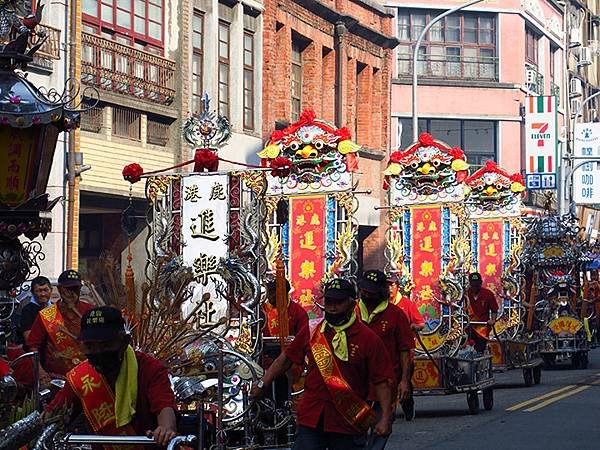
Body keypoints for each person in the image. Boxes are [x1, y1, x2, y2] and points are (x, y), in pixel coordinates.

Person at [251, 278, 394, 450]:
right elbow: (285, 359)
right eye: (329, 302)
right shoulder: (313, 331)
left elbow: (382, 381)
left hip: (348, 422)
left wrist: (385, 417)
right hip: (312, 417)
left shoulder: (368, 339)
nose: (332, 308)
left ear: (351, 304)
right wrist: (262, 383)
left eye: (339, 302)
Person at [46, 306, 177, 447]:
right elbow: (54, 413)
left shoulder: (150, 368)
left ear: (125, 341)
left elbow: (164, 406)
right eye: (90, 347)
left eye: (106, 345)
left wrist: (166, 428)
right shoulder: (82, 376)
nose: (98, 352)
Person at [356, 270, 412, 449]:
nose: (366, 295)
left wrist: (405, 381)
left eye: (371, 292)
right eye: (364, 291)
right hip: (357, 384)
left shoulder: (396, 314)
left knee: (381, 430)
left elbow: (405, 350)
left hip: (387, 384)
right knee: (356, 433)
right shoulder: (353, 312)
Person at [27, 270, 94, 379]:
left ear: (80, 289)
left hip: (88, 377)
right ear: (59, 289)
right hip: (57, 378)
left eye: (75, 288)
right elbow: (33, 346)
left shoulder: (90, 311)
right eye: (67, 288)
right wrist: (40, 371)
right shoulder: (47, 315)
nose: (71, 293)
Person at [387, 274, 424, 421]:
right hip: (387, 352)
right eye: (386, 285)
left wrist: (414, 326)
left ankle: (408, 405)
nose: (389, 288)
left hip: (405, 351)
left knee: (404, 380)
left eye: (392, 285)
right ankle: (389, 412)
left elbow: (420, 323)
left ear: (398, 287)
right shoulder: (381, 305)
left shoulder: (407, 304)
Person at [465, 272, 498, 354]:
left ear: (481, 283)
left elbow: (494, 309)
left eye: (477, 285)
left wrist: (493, 320)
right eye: (473, 285)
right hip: (468, 327)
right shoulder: (465, 294)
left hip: (482, 328)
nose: (475, 287)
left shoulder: (488, 294)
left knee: (480, 350)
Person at [19, 276, 53, 345]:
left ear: (51, 290)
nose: (43, 294)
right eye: (39, 291)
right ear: (32, 292)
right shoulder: (27, 310)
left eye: (46, 290)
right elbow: (29, 338)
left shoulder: (56, 308)